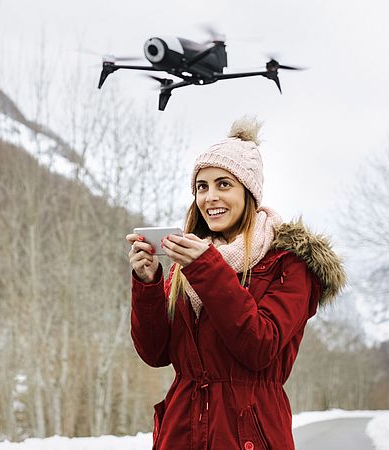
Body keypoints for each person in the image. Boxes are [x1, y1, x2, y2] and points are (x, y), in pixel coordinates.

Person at [125, 117, 346, 450]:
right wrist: (148, 283)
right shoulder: (190, 263)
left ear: (248, 191)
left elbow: (260, 347)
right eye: (202, 186)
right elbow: (156, 353)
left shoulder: (288, 263)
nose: (210, 197)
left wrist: (206, 268)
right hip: (181, 433)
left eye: (223, 184)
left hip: (249, 435)